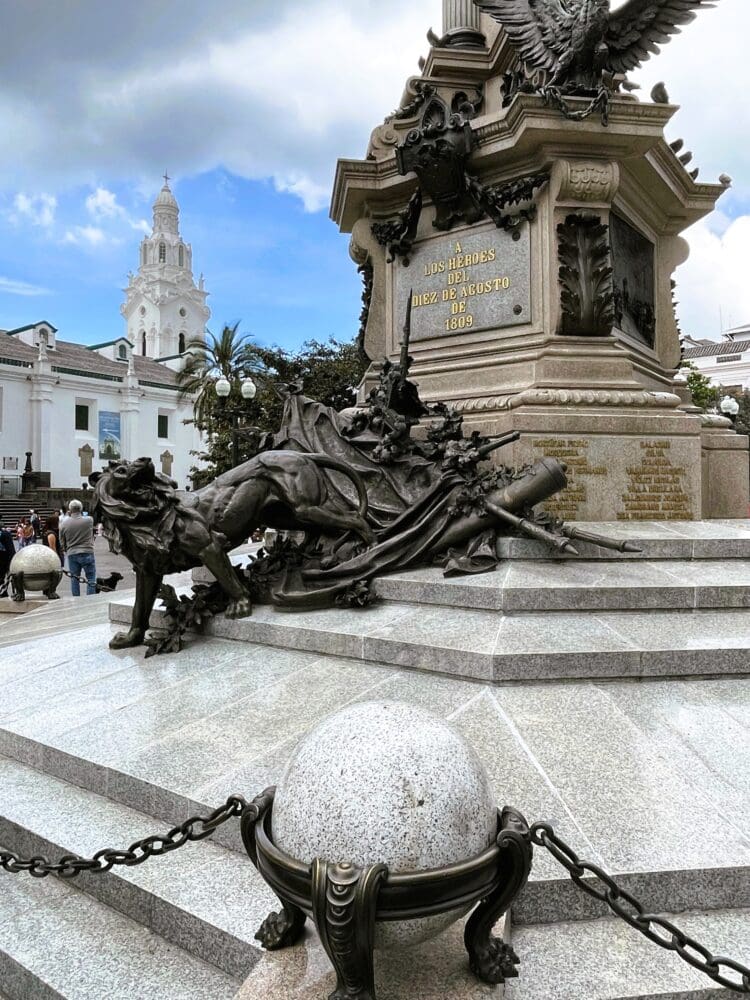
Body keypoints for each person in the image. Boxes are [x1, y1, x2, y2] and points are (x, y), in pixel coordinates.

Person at [60, 500, 97, 596]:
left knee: (75, 578)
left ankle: (76, 599)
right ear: (81, 509)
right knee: (91, 577)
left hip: (72, 552)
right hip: (87, 550)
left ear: (70, 510)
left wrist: (65, 548)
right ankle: (90, 598)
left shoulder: (64, 523)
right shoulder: (89, 520)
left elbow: (62, 540)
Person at [0, 518, 15, 596]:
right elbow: (11, 548)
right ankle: (3, 591)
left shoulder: (5, 534)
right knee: (3, 574)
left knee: (3, 574)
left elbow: (10, 548)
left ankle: (3, 591)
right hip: (4, 557)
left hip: (4, 557)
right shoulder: (5, 534)